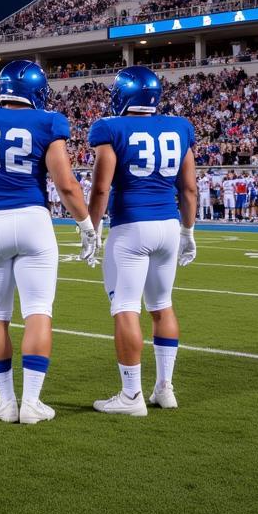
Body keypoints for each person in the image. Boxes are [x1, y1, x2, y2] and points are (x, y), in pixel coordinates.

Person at [0, 60, 98, 425]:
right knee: (38, 311)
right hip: (33, 221)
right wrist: (87, 226)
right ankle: (31, 402)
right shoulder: (48, 122)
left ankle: (5, 401)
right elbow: (66, 185)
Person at [87, 66, 197, 416]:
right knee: (162, 305)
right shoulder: (181, 127)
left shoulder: (110, 127)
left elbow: (102, 186)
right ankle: (165, 388)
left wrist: (92, 229)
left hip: (131, 227)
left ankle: (131, 395)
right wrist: (188, 231)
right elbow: (189, 188)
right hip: (167, 225)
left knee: (125, 309)